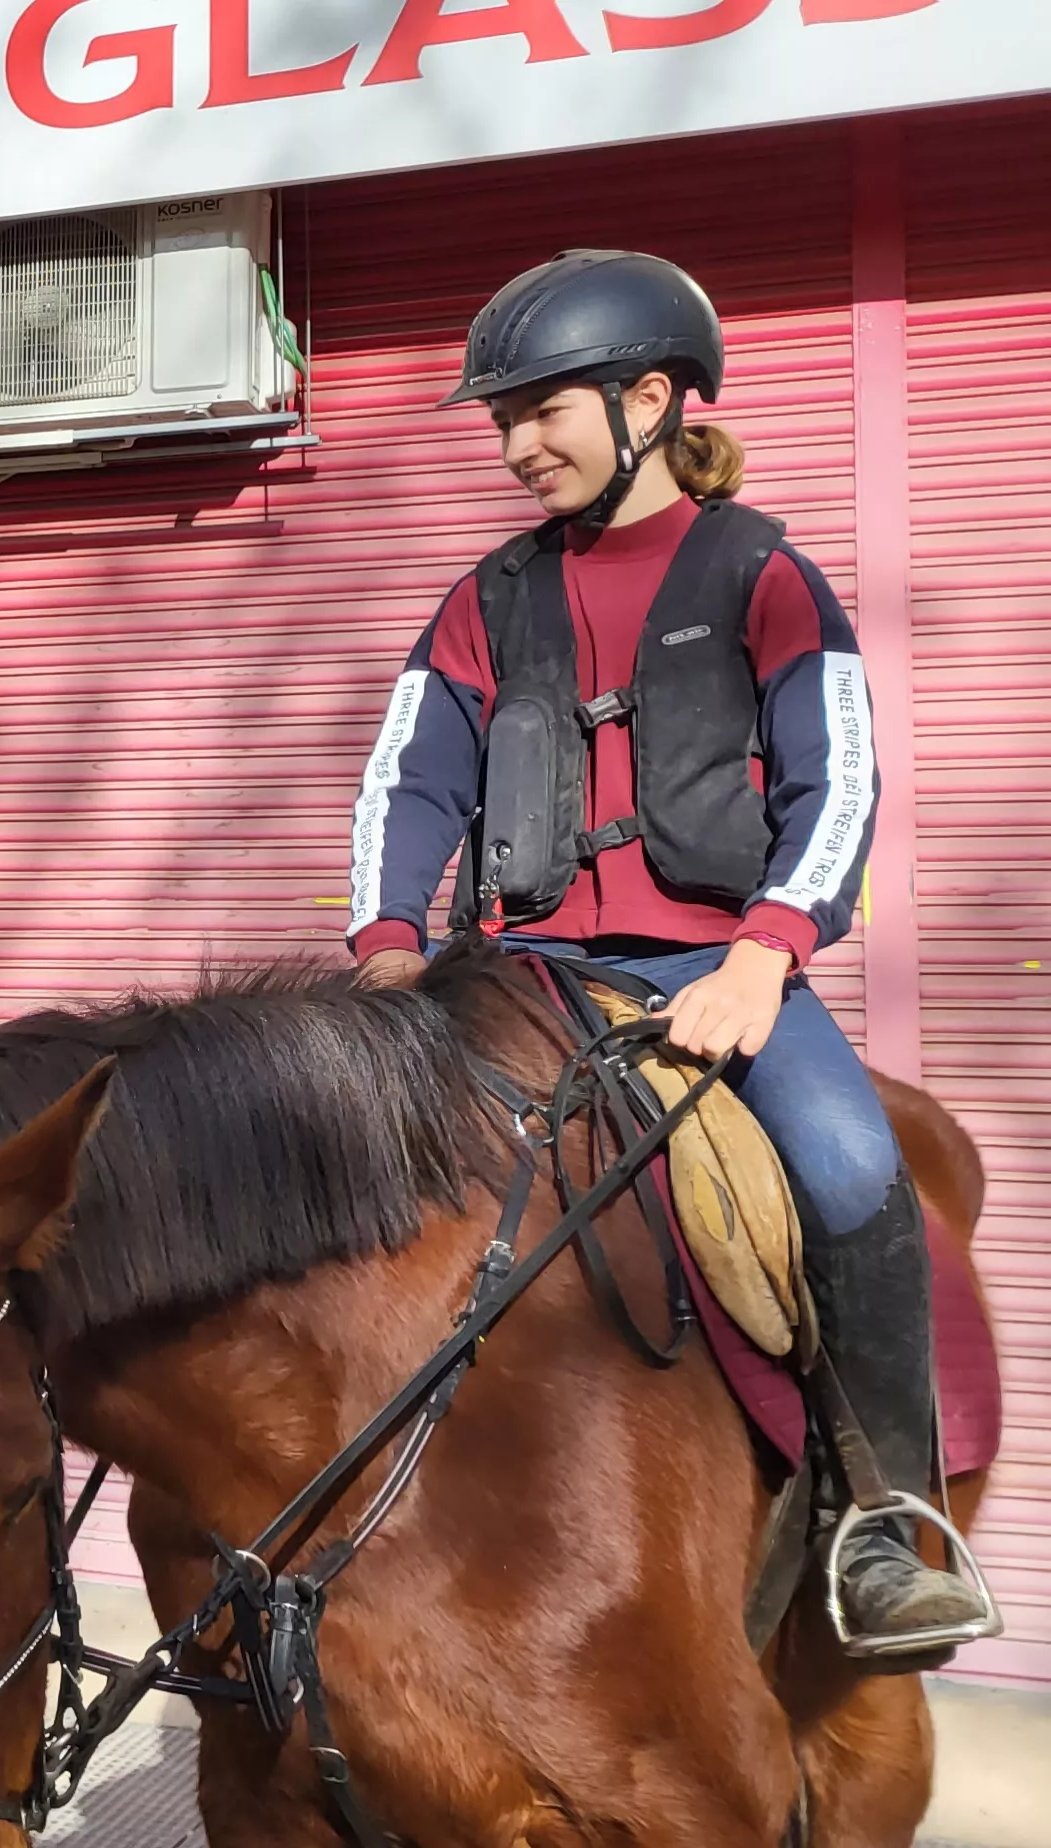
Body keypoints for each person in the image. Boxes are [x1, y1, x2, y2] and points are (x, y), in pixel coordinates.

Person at [347, 249, 991, 1654]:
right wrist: (391, 940)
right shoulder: (486, 597)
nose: (516, 448)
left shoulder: (761, 570)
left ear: (648, 398)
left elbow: (842, 782)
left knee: (850, 1163)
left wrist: (765, 954)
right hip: (514, 978)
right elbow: (411, 780)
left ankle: (888, 1516)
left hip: (716, 973)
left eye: (541, 413)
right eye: (499, 421)